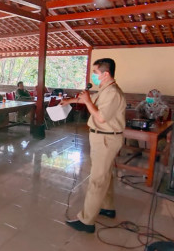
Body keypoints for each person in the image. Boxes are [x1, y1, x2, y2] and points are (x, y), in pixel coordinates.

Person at [60, 58, 126, 233]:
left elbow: (101, 117)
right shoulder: (105, 90)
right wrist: (70, 101)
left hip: (106, 139)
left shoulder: (112, 93)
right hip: (102, 138)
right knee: (106, 175)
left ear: (105, 74)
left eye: (96, 73)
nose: (94, 77)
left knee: (97, 180)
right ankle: (107, 207)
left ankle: (86, 221)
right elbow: (90, 100)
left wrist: (88, 101)